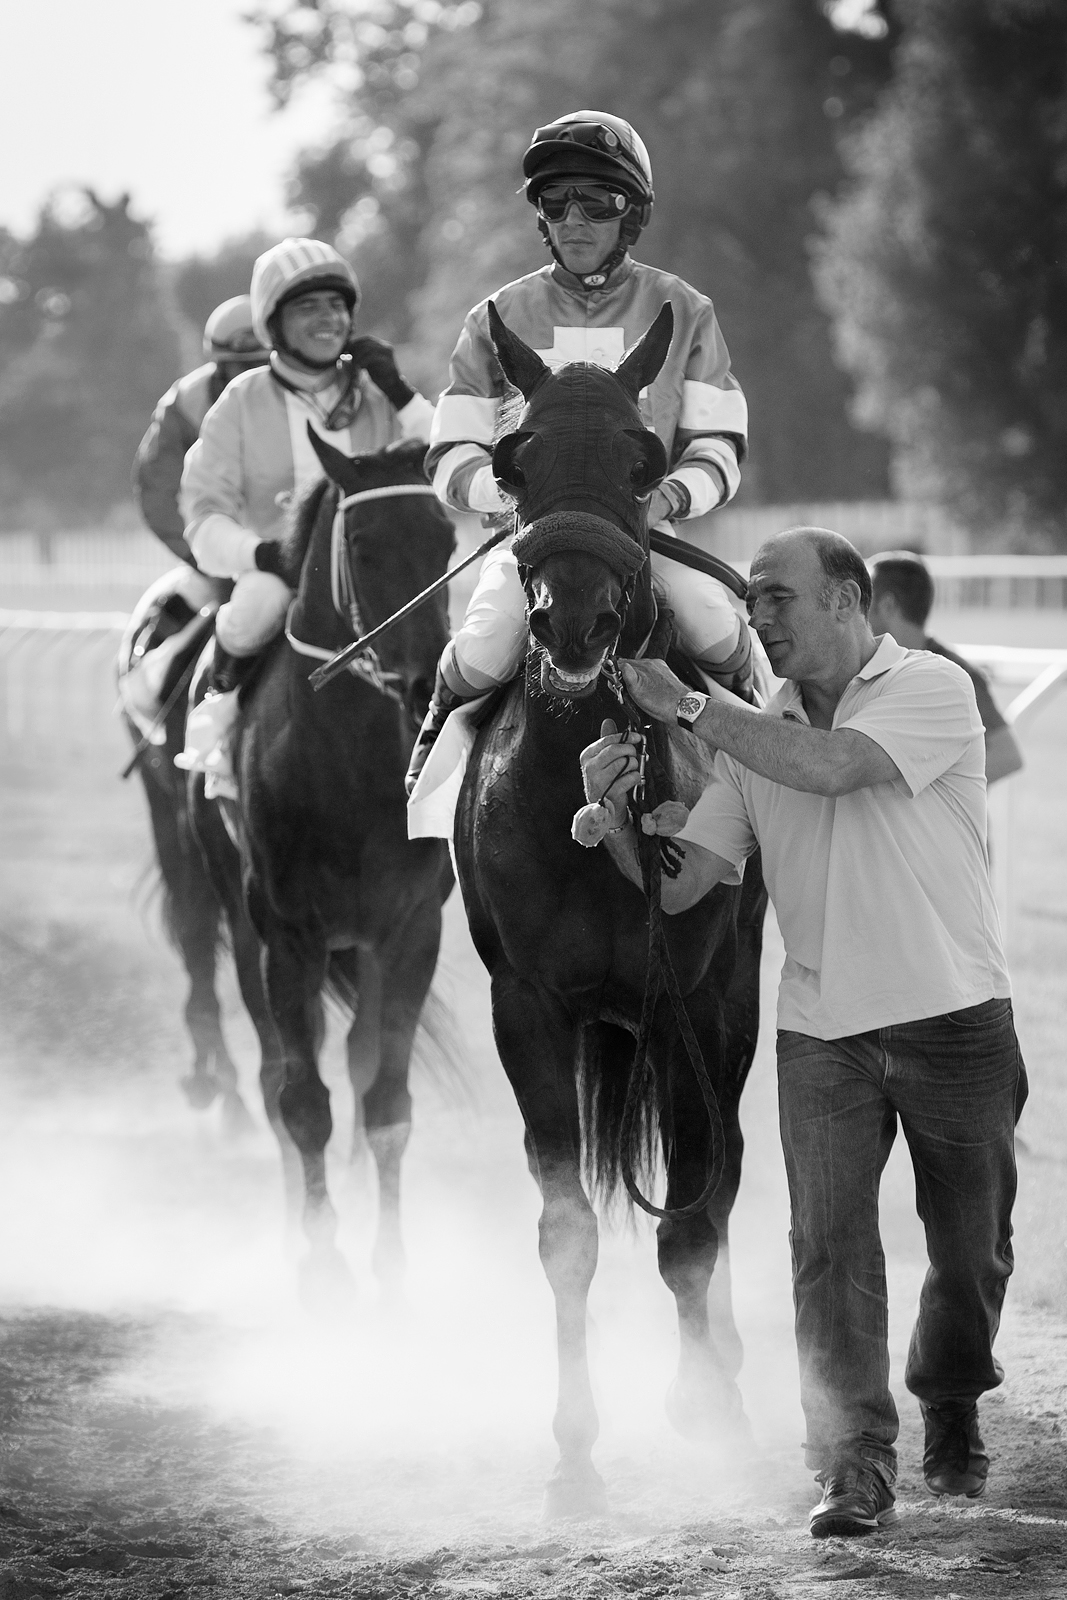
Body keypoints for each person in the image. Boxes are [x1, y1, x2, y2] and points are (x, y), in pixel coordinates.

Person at [580, 526, 1027, 1539]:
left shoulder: (927, 688)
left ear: (846, 600)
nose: (759, 614)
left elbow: (829, 769)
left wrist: (693, 707)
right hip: (819, 1031)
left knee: (969, 1257)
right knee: (825, 1252)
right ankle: (851, 1462)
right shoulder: (750, 735)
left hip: (953, 1016)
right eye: (753, 599)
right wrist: (611, 819)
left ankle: (947, 1387)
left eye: (777, 595)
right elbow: (687, 882)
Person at [405, 108, 752, 795]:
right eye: (554, 199)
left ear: (632, 214)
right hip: (535, 540)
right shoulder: (493, 317)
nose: (574, 217)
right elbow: (449, 456)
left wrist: (669, 497)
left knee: (714, 625)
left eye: (597, 199)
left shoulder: (687, 310)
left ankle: (767, 775)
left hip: (649, 536)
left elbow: (719, 446)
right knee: (480, 648)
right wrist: (515, 503)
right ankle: (430, 787)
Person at [175, 237, 435, 792]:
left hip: (374, 575)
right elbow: (202, 516)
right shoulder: (239, 402)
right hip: (281, 577)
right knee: (253, 610)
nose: (330, 319)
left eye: (337, 305)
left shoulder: (374, 394)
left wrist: (400, 391)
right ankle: (218, 732)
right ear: (274, 322)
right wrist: (262, 554)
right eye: (309, 307)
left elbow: (451, 463)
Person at [133, 295, 269, 572]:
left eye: (264, 365)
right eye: (243, 367)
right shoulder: (184, 406)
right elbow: (158, 493)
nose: (253, 379)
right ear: (218, 366)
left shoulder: (314, 395)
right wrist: (202, 556)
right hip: (216, 546)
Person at [868, 550, 1024, 784]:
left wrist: (924, 782)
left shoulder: (956, 674)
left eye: (863, 602)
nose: (855, 614)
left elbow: (1007, 756)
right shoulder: (873, 667)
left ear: (888, 605)